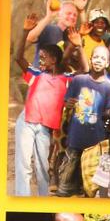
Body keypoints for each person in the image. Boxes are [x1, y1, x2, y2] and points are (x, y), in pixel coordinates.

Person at [56, 45, 110, 196]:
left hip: (95, 141)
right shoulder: (78, 80)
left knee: (90, 186)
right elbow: (66, 101)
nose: (98, 60)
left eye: (102, 58)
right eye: (96, 57)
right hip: (75, 137)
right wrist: (68, 104)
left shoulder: (108, 88)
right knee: (65, 185)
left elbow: (106, 114)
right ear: (90, 59)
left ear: (107, 63)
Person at [13, 39, 69, 196]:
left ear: (54, 60)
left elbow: (84, 69)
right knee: (24, 162)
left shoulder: (65, 79)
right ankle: (22, 198)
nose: (40, 61)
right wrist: (25, 33)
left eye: (43, 57)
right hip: (27, 122)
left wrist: (75, 45)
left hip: (44, 128)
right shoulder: (36, 75)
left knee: (42, 165)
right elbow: (18, 57)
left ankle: (42, 198)